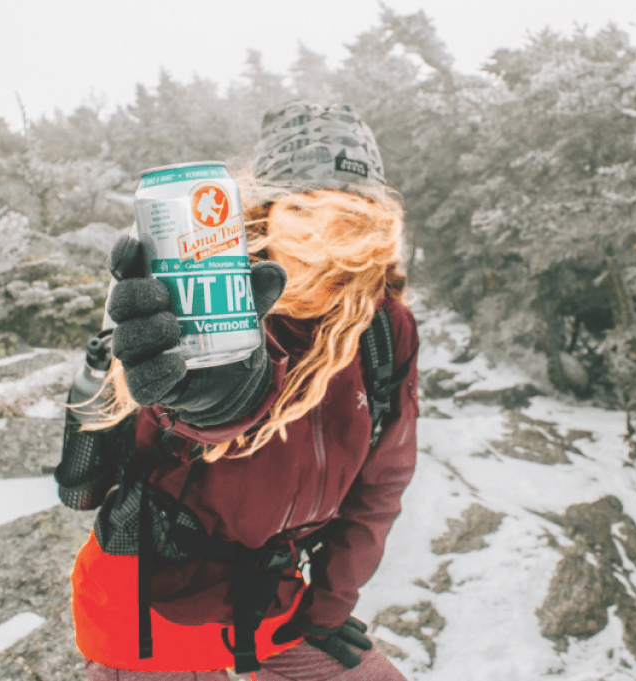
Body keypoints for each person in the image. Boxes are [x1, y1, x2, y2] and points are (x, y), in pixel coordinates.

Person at [55, 101, 419, 681]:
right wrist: (212, 402)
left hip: (273, 605)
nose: (326, 238)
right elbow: (172, 420)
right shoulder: (210, 303)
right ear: (264, 214)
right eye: (303, 209)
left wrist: (329, 605)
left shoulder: (382, 327)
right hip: (153, 610)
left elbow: (382, 482)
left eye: (350, 215)